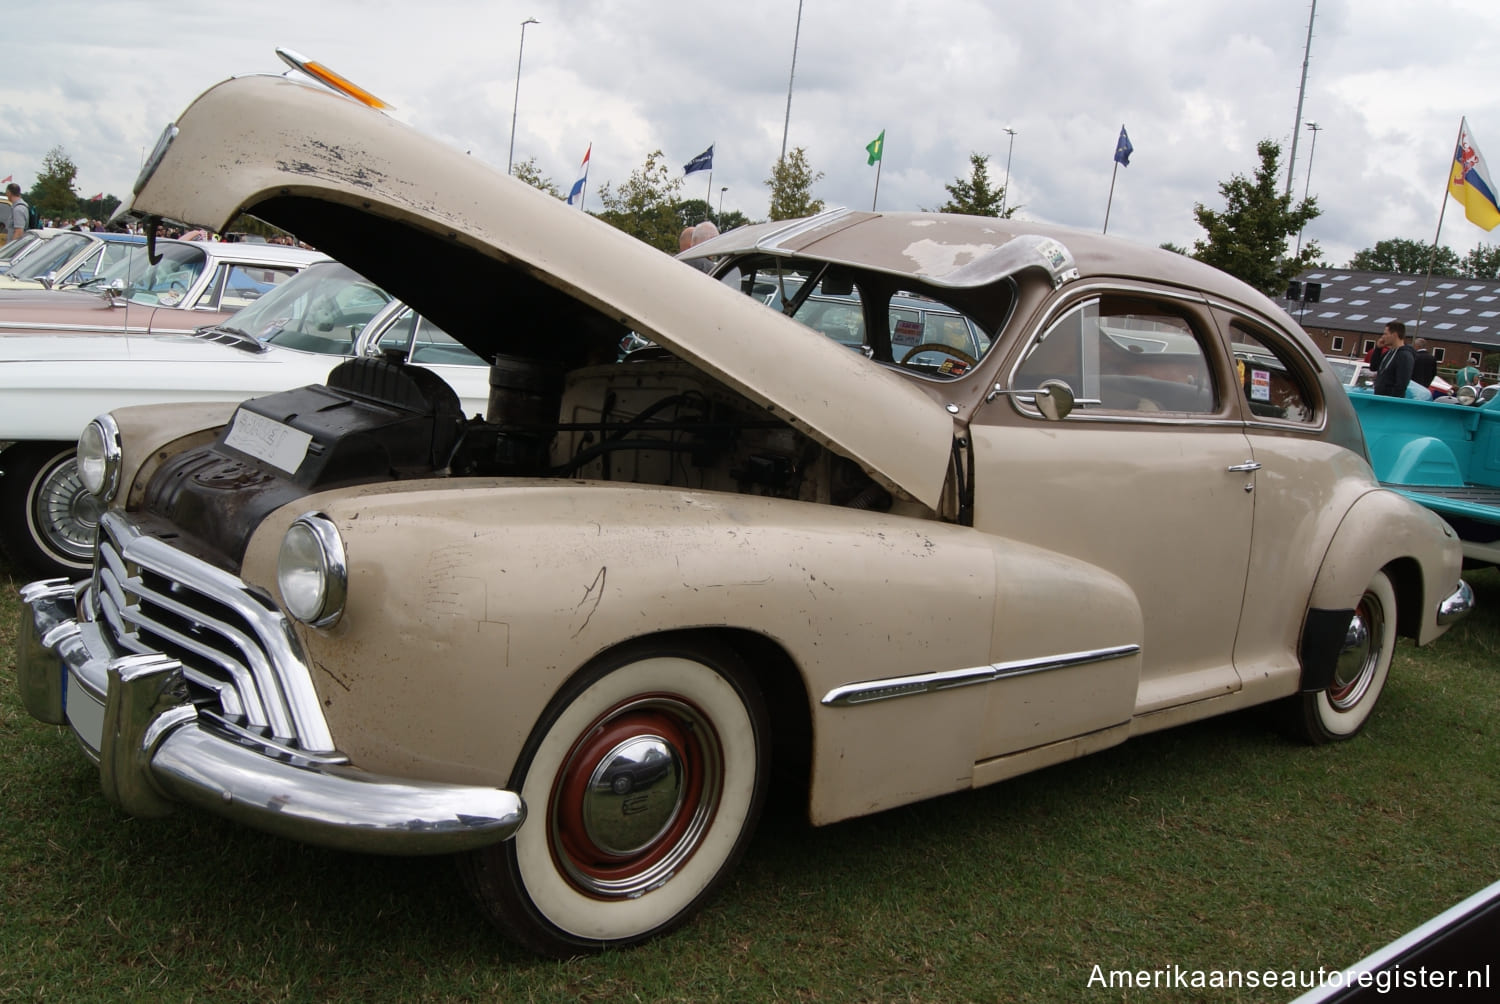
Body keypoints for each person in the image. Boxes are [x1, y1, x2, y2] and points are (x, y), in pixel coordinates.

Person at [1372, 321, 1415, 397]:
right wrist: (1378, 349)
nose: (1383, 337)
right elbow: (1373, 367)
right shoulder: (1388, 353)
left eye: (1386, 334)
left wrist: (1392, 402)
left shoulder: (1404, 355)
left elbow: (1401, 384)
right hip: (1379, 397)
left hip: (1389, 401)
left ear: (1394, 335)